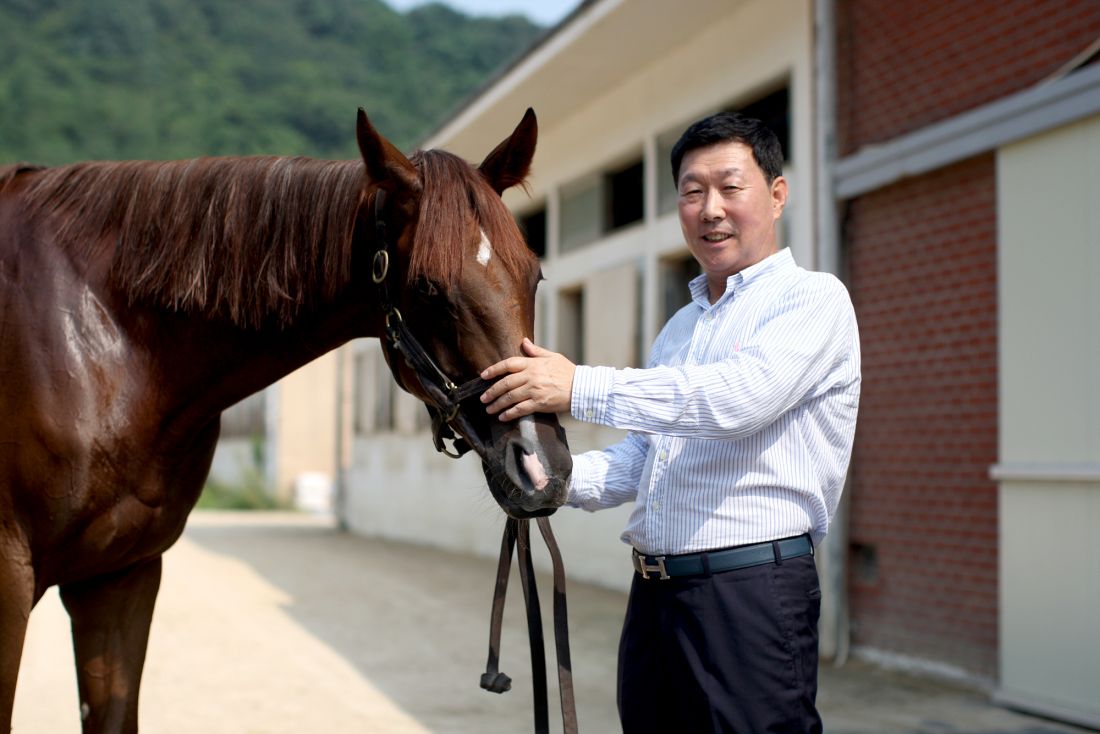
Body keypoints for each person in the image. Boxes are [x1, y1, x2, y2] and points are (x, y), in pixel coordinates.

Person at [479, 112, 860, 734]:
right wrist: (547, 476)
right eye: (691, 190)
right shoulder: (681, 328)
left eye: (730, 187)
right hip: (655, 597)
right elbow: (646, 459)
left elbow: (737, 402)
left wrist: (579, 385)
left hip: (750, 592)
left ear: (777, 194)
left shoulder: (812, 300)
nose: (710, 209)